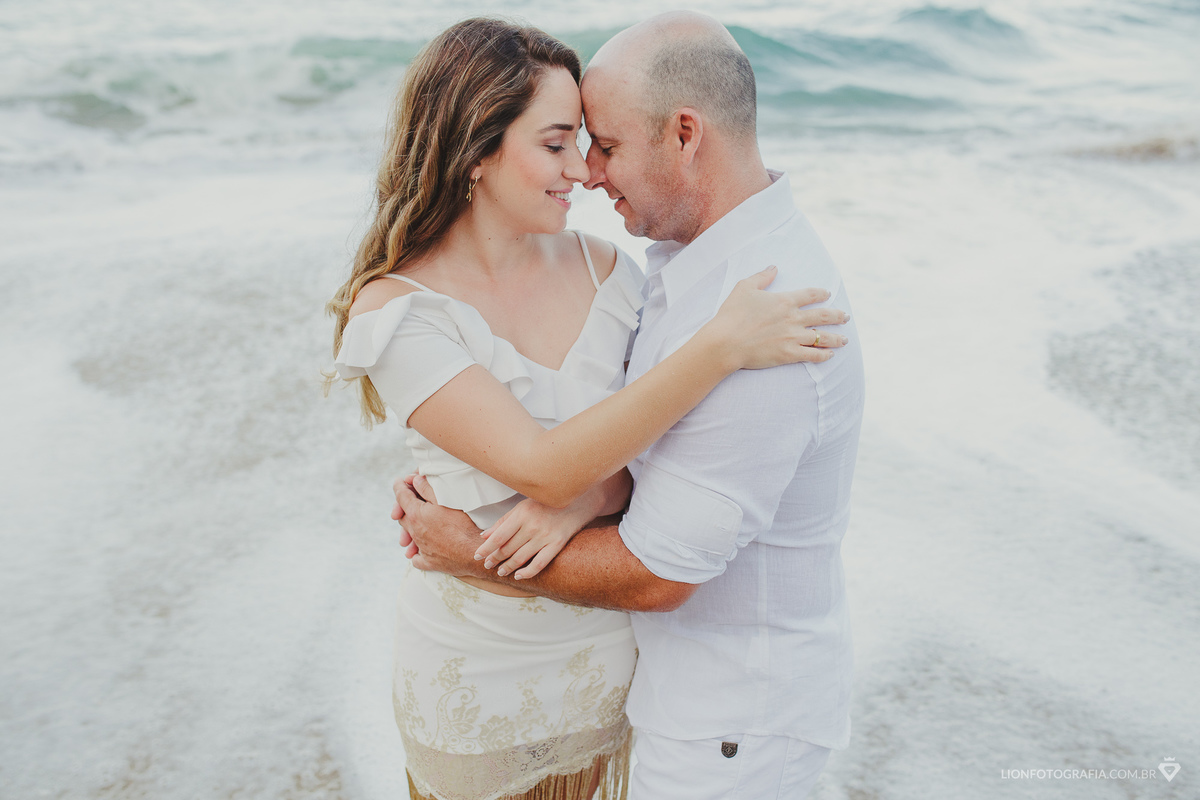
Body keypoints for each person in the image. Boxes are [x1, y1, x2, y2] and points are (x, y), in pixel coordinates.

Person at [327, 18, 848, 800]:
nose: (583, 171)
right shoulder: (398, 312)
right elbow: (540, 464)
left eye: (592, 143)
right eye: (559, 143)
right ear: (476, 150)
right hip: (484, 678)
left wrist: (574, 507)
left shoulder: (611, 269)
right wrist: (717, 347)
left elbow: (650, 461)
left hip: (620, 670)